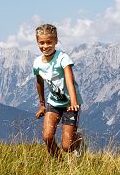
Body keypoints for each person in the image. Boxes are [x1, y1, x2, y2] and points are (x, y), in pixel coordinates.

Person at [33, 24, 83, 158]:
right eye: (41, 42)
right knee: (47, 137)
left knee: (67, 147)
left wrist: (73, 101)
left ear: (56, 41)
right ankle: (59, 165)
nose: (45, 46)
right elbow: (39, 82)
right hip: (53, 103)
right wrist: (42, 104)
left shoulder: (62, 58)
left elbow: (69, 81)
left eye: (49, 42)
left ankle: (78, 140)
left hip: (70, 104)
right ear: (37, 42)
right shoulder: (37, 63)